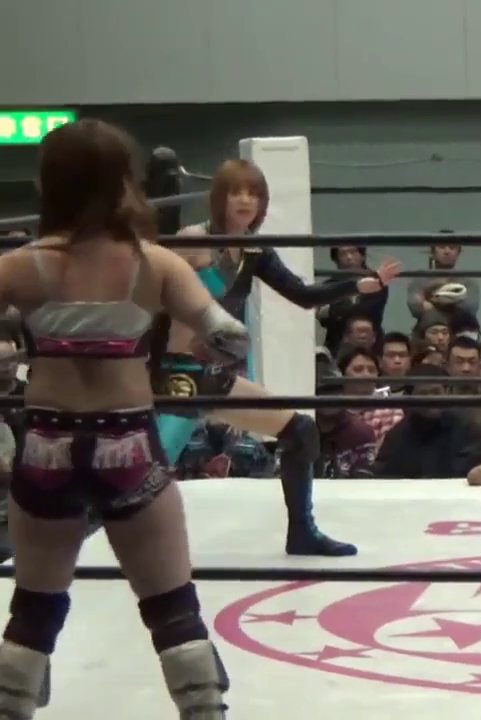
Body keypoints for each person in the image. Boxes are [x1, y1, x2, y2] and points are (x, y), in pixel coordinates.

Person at [0, 119, 247, 718]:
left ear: (49, 185)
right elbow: (230, 337)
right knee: (172, 607)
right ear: (123, 184)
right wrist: (205, 345)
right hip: (127, 442)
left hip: (47, 445)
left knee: (34, 608)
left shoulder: (20, 267)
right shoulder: (155, 265)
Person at [151, 159, 401, 557]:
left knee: (300, 430)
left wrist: (358, 285)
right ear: (220, 197)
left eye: (253, 193)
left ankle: (302, 532)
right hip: (172, 374)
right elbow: (153, 301)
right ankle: (83, 541)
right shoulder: (193, 241)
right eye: (236, 192)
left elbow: (301, 294)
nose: (245, 200)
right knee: (146, 471)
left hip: (211, 374)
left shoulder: (254, 251)